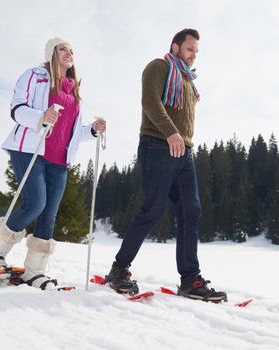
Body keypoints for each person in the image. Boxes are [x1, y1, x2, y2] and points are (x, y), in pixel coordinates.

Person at [0, 38, 106, 290]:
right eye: (63, 49)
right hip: (30, 149)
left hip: (59, 160)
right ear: (51, 53)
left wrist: (92, 130)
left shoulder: (73, 91)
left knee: (49, 214)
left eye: (71, 51)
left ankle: (34, 270)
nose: (69, 53)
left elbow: (72, 132)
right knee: (35, 204)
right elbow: (17, 108)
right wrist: (40, 116)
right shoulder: (35, 76)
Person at [105, 29, 227, 301]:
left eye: (197, 51)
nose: (194, 55)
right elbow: (150, 101)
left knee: (191, 211)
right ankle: (119, 269)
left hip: (184, 152)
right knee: (152, 209)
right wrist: (171, 132)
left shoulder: (187, 80)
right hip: (157, 144)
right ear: (175, 47)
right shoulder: (159, 66)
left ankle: (189, 280)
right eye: (189, 49)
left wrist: (181, 139)